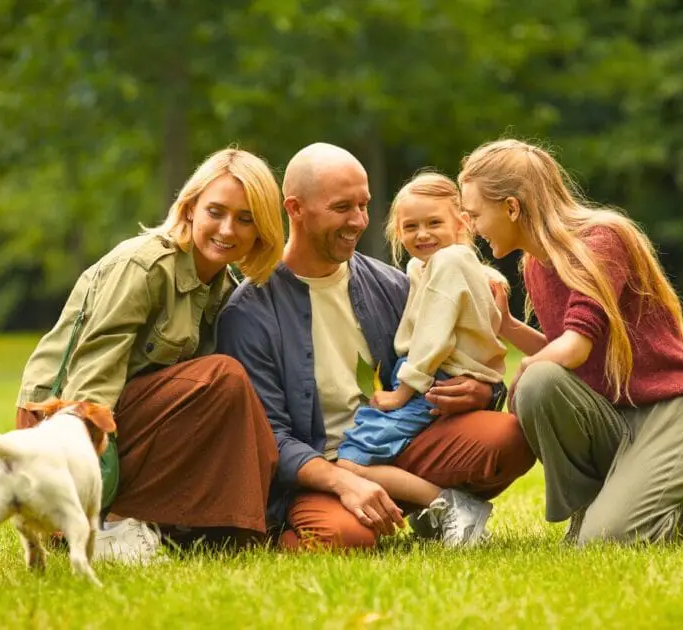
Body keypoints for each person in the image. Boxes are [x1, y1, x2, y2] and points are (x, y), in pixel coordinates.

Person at [217, 143, 535, 549]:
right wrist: (341, 481)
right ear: (294, 208)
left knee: (509, 438)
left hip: (398, 445)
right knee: (346, 538)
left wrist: (483, 390)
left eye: (363, 206)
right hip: (321, 470)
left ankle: (429, 509)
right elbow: (270, 436)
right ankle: (314, 524)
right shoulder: (250, 312)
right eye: (342, 208)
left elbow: (454, 351)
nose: (358, 221)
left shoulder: (391, 285)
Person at [457, 138, 683, 545]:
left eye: (475, 214)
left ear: (512, 207)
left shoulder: (600, 240)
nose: (471, 227)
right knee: (541, 384)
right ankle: (592, 508)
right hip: (613, 419)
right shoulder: (535, 265)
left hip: (669, 414)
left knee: (606, 541)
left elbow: (574, 348)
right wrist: (509, 327)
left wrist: (520, 375)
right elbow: (568, 357)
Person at [15, 147, 284, 562]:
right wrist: (80, 478)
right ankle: (106, 524)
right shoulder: (146, 265)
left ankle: (221, 528)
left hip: (130, 413)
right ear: (190, 208)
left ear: (261, 230)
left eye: (245, 218)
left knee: (245, 405)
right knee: (222, 377)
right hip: (63, 419)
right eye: (216, 211)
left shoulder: (225, 288)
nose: (228, 229)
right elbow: (91, 375)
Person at [334, 172, 510, 547]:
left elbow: (433, 336)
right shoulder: (423, 267)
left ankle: (448, 506)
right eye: (410, 226)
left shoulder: (448, 262)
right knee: (367, 447)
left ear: (462, 221)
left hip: (434, 378)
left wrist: (402, 392)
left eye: (434, 223)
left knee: (350, 462)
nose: (422, 234)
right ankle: (434, 511)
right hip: (429, 376)